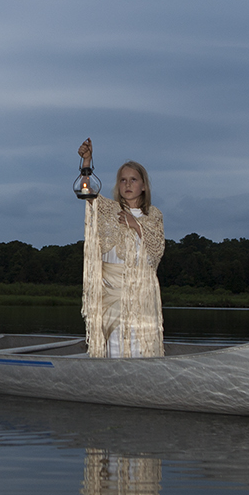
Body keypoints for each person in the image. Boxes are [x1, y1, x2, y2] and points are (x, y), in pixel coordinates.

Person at [77, 139, 164, 358]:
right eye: (123, 180)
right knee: (114, 344)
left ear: (143, 185)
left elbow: (156, 251)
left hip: (141, 297)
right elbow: (86, 191)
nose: (127, 184)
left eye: (133, 180)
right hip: (111, 295)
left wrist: (135, 225)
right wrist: (86, 162)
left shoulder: (153, 216)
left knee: (139, 345)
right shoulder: (108, 210)